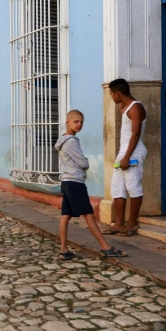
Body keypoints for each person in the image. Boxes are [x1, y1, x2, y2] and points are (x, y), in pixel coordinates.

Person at [55, 110, 126, 260]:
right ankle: (105, 247)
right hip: (75, 183)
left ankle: (63, 250)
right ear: (67, 123)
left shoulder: (63, 140)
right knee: (89, 215)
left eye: (81, 121)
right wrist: (86, 162)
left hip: (67, 182)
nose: (79, 124)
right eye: (75, 121)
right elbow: (83, 163)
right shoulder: (71, 142)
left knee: (65, 215)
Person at [102, 78, 148, 237]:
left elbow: (135, 134)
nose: (111, 98)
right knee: (117, 188)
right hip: (123, 153)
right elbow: (121, 105)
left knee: (133, 186)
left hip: (133, 152)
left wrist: (127, 157)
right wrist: (123, 156)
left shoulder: (136, 108)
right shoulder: (125, 106)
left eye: (112, 95)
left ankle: (132, 223)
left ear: (119, 94)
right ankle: (119, 223)